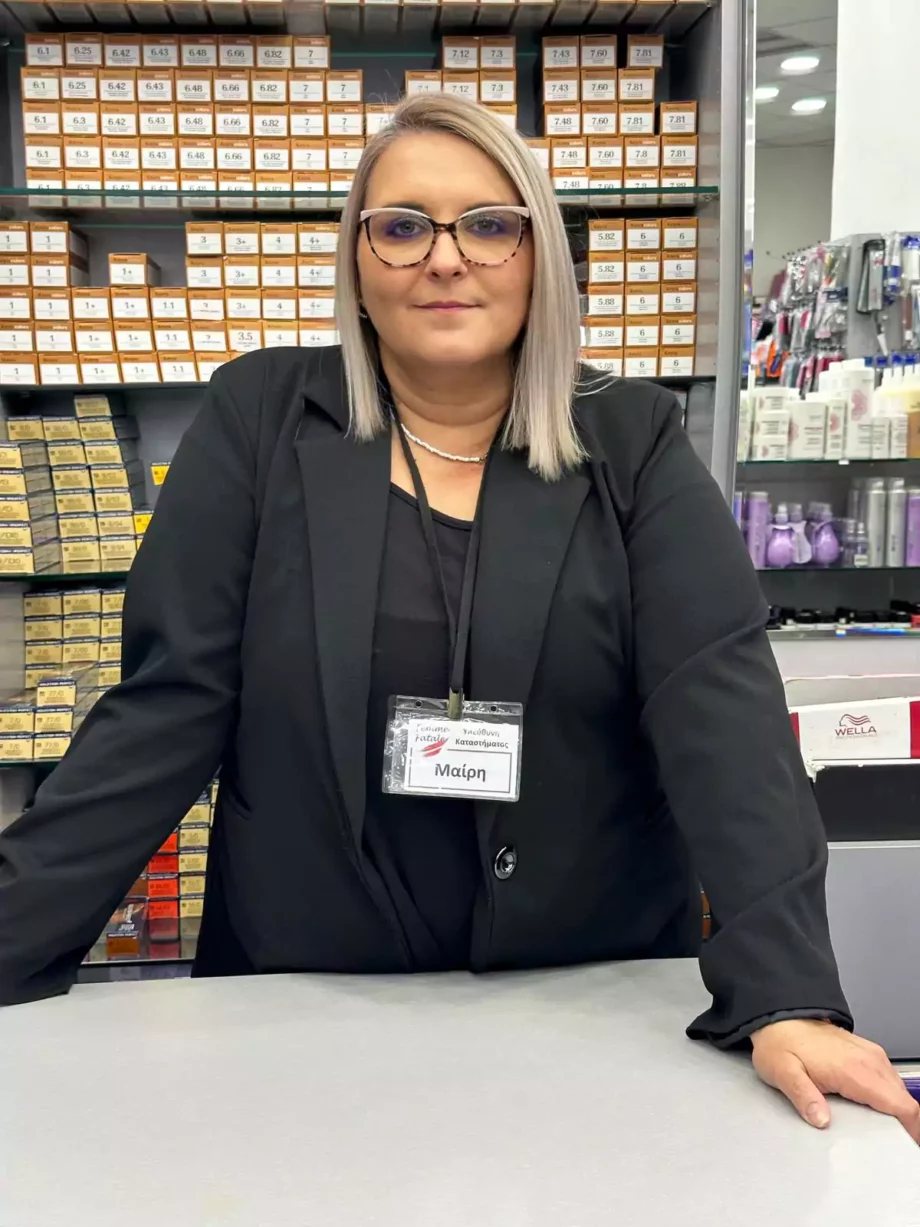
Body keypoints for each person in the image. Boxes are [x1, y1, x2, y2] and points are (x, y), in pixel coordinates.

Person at [0, 93, 917, 1141]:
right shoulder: (258, 420)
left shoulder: (632, 441)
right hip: (299, 1000)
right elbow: (166, 709)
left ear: (540, 255)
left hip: (589, 1003)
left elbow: (720, 711)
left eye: (488, 224)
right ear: (356, 260)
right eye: (401, 226)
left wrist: (787, 994)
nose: (445, 258)